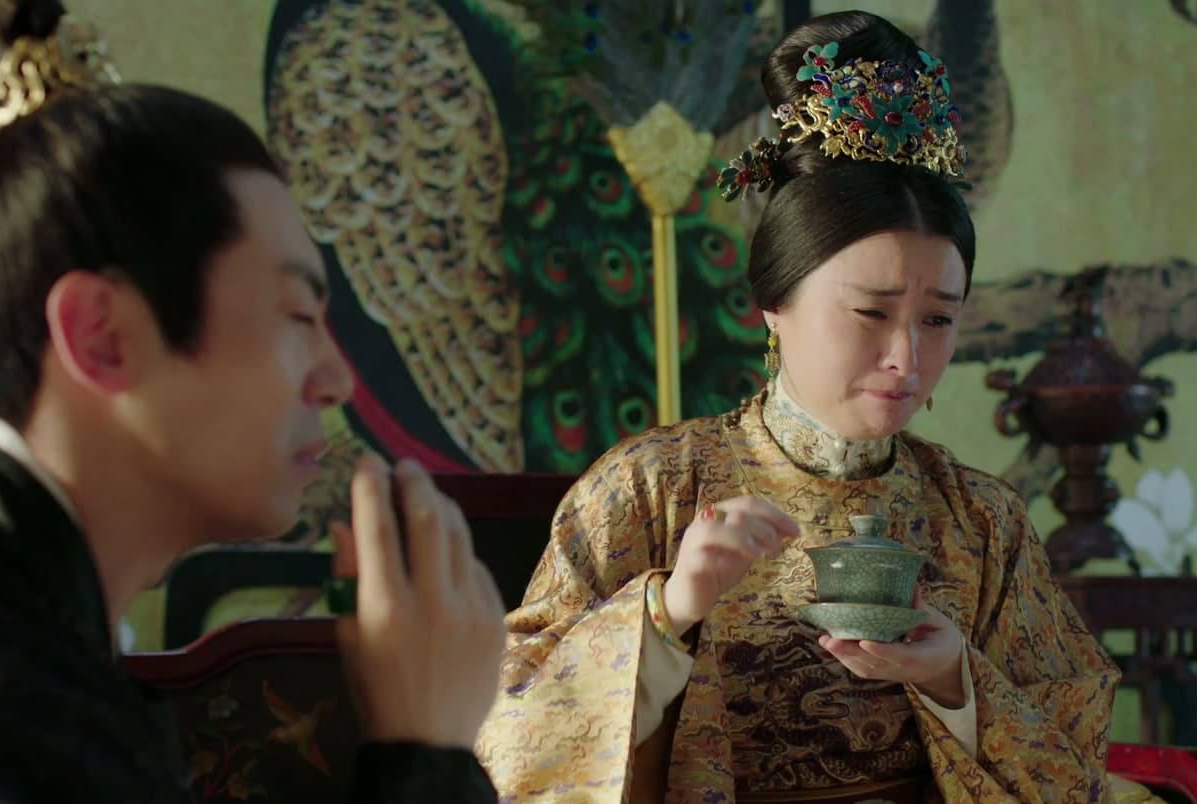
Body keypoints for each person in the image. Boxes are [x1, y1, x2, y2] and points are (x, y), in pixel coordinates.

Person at [476, 11, 1160, 803]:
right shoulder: (647, 491)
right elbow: (512, 740)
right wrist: (668, 613)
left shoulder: (983, 522)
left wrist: (955, 680)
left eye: (938, 320)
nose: (907, 357)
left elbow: (1073, 761)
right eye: (870, 313)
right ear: (775, 305)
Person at [0, 1, 506, 801]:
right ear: (103, 336)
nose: (337, 380)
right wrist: (426, 752)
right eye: (299, 315)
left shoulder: (16, 637)